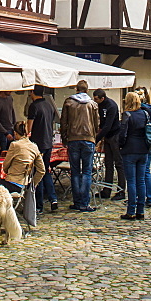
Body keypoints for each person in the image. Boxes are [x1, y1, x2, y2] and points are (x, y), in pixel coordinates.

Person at [60, 80, 100, 213]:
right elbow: (96, 123)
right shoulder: (92, 104)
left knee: (75, 171)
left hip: (73, 139)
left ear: (76, 89)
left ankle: (77, 201)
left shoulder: (69, 102)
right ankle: (84, 202)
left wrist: (64, 138)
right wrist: (94, 137)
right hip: (88, 139)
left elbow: (63, 122)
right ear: (87, 90)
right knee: (87, 172)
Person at [117, 91, 150, 220]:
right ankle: (140, 211)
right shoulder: (145, 113)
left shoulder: (127, 115)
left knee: (131, 181)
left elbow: (123, 133)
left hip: (130, 150)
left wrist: (121, 145)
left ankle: (131, 211)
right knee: (140, 181)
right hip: (143, 149)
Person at [27, 84, 58, 212]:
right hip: (48, 142)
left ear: (33, 92)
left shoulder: (34, 106)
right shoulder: (49, 105)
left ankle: (39, 205)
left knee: (37, 173)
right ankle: (53, 198)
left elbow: (29, 127)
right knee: (45, 172)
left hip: (37, 144)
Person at [92, 88, 125, 200]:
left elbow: (108, 125)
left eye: (96, 99)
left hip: (114, 135)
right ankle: (107, 190)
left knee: (118, 164)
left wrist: (97, 138)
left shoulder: (111, 106)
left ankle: (121, 190)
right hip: (107, 136)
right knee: (108, 163)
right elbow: (101, 122)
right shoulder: (99, 106)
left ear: (102, 98)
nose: (95, 101)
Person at [0, 121, 45, 194]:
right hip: (25, 184)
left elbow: (5, 167)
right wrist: (32, 185)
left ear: (15, 133)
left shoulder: (15, 145)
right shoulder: (34, 146)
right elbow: (42, 170)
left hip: (12, 183)